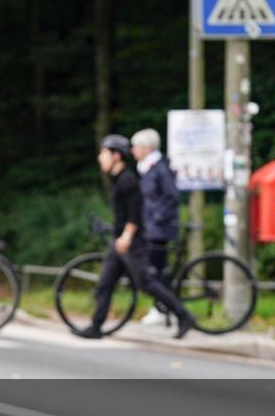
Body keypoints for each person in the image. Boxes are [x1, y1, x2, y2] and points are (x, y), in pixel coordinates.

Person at [81, 134, 195, 340]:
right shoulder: (119, 179)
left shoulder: (128, 180)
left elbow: (135, 213)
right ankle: (96, 326)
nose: (100, 158)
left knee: (147, 283)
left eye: (104, 154)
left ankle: (184, 315)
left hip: (131, 242)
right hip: (121, 241)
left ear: (116, 156)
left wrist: (126, 236)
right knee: (105, 282)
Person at [131, 128, 181, 326]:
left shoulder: (159, 168)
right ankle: (165, 308)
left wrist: (156, 218)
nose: (133, 150)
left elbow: (171, 196)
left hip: (158, 228)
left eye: (136, 146)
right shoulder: (147, 169)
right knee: (157, 270)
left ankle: (161, 308)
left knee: (155, 271)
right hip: (152, 227)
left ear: (146, 148)